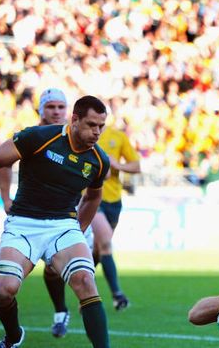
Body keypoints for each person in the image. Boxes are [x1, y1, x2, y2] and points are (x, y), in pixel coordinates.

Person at [0, 95, 111, 348]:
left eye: (101, 126)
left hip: (63, 226)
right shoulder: (38, 137)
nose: (97, 132)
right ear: (75, 120)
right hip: (23, 224)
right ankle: (14, 335)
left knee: (85, 282)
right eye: (91, 124)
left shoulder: (99, 161)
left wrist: (77, 231)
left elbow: (93, 197)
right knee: (3, 290)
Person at [91, 122, 141, 310]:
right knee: (105, 243)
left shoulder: (118, 137)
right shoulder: (81, 136)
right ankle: (118, 295)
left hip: (114, 200)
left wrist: (117, 165)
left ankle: (84, 290)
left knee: (97, 250)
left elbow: (136, 166)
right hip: (90, 198)